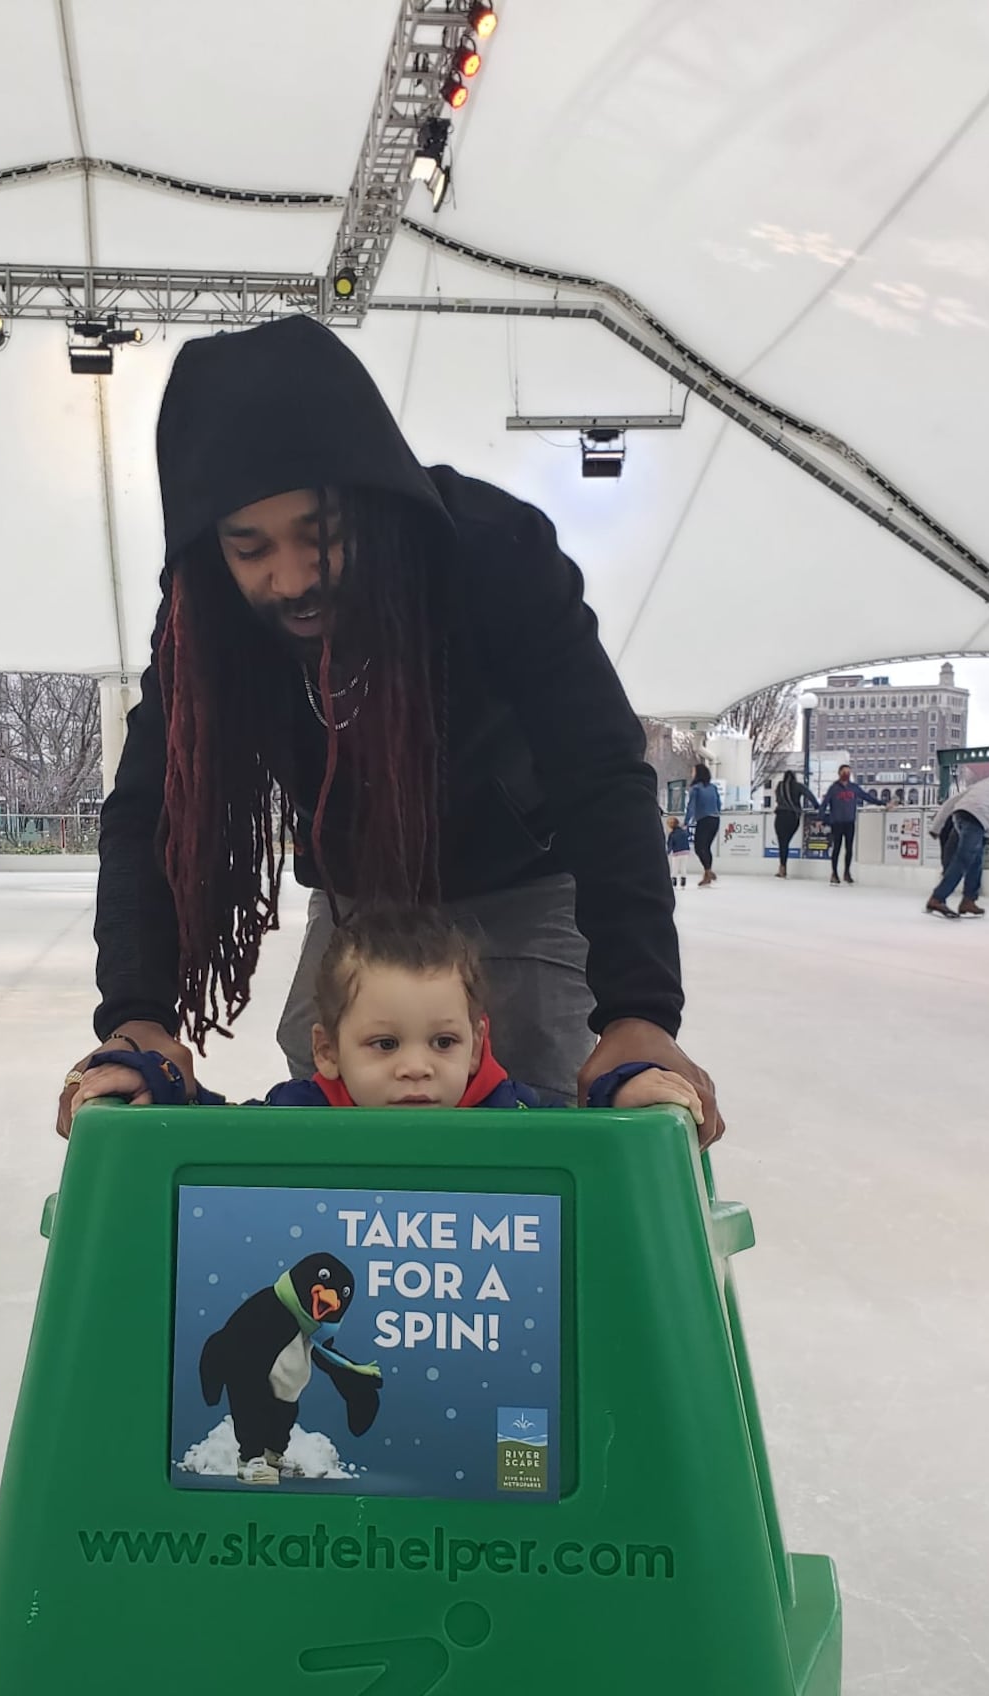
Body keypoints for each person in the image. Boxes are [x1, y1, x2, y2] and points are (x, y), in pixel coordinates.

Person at [60, 314, 721, 1143]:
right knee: (331, 1097)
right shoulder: (207, 620)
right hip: (358, 887)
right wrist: (136, 1016)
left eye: (321, 533)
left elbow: (602, 771)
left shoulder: (496, 553)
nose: (292, 578)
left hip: (523, 876)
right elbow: (150, 808)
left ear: (373, 499)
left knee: (538, 1101)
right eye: (250, 546)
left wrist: (639, 1011)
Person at [71, 907, 702, 1120]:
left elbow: (589, 1137)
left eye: (444, 1042)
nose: (417, 1068)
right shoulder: (302, 1118)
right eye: (384, 1044)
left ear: (479, 1045)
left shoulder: (511, 1115)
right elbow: (213, 1141)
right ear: (326, 1050)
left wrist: (627, 1094)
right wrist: (159, 1086)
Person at [925, 762, 989, 919]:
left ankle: (969, 900)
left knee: (976, 861)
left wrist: (937, 826)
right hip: (977, 819)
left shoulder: (985, 782)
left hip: (960, 816)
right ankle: (937, 898)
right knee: (964, 859)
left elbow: (951, 801)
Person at [820, 765, 876, 884]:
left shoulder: (853, 788)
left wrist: (882, 803)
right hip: (837, 822)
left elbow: (866, 797)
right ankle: (834, 873)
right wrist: (820, 818)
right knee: (837, 848)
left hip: (849, 822)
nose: (846, 774)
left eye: (848, 772)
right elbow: (824, 804)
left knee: (849, 849)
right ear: (839, 773)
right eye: (844, 772)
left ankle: (847, 872)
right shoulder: (834, 788)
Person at [772, 769, 818, 879]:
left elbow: (778, 799)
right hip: (792, 817)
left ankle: (782, 867)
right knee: (786, 841)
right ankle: (783, 867)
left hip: (780, 816)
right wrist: (817, 806)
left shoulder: (779, 786)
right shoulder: (798, 786)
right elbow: (809, 795)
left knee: (782, 843)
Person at [684, 762, 722, 888]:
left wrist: (686, 822)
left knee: (699, 847)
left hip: (704, 819)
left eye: (693, 771)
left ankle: (708, 871)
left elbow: (691, 807)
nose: (692, 773)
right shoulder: (713, 787)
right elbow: (719, 803)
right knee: (706, 847)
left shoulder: (696, 789)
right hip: (715, 819)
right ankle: (707, 873)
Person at [666, 814, 691, 888]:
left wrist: (668, 852)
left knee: (675, 867)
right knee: (683, 867)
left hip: (677, 852)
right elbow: (688, 835)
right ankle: (683, 880)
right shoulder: (683, 832)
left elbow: (670, 844)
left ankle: (674, 880)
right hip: (685, 852)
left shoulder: (672, 834)